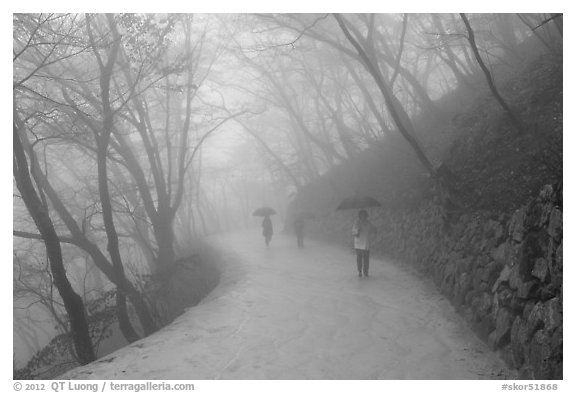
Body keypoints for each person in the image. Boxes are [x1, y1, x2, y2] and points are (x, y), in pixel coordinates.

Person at [352, 209, 376, 277]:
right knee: (359, 258)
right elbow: (353, 232)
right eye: (362, 215)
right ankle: (359, 271)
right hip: (358, 243)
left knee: (366, 258)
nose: (363, 216)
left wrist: (374, 229)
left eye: (365, 215)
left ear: (366, 216)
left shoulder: (369, 223)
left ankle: (366, 271)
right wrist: (357, 230)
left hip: (366, 243)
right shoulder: (356, 222)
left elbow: (373, 229)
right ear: (359, 216)